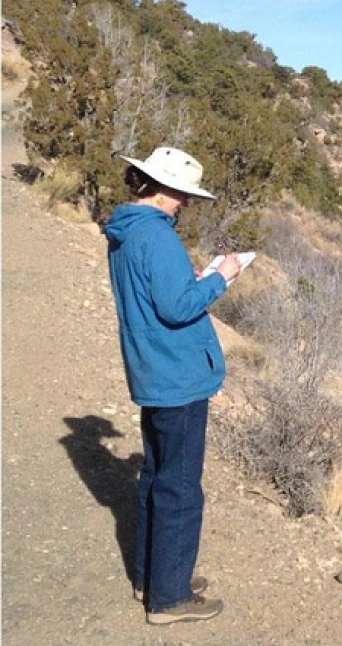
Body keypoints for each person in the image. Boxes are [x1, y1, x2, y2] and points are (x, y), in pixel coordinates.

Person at [104, 147, 241, 625]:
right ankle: (169, 598)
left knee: (156, 477)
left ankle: (155, 575)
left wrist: (193, 282)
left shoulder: (126, 230)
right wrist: (221, 277)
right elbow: (179, 307)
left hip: (153, 369)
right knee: (180, 488)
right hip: (177, 374)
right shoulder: (156, 237)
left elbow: (157, 297)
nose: (186, 203)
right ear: (167, 189)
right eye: (184, 193)